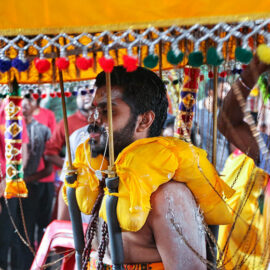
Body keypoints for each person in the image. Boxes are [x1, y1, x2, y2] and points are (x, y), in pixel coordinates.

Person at [63, 66, 236, 270]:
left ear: (144, 120)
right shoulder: (99, 181)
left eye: (107, 111)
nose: (94, 120)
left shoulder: (168, 196)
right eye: (95, 110)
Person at [13, 93, 53, 270]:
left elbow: (50, 165)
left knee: (39, 229)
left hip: (37, 185)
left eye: (29, 100)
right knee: (20, 233)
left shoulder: (43, 130)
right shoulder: (10, 127)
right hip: (15, 188)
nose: (24, 104)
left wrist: (24, 179)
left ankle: (43, 265)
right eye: (21, 99)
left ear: (36, 104)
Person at [0, 96, 29, 270]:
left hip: (6, 182)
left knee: (4, 236)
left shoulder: (12, 113)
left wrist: (7, 179)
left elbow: (21, 154)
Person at [44, 85, 94, 168]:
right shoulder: (66, 123)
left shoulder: (105, 119)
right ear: (76, 98)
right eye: (83, 93)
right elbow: (49, 153)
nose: (87, 97)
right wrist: (71, 168)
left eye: (91, 92)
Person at [193, 78, 231, 173]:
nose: (228, 96)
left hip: (223, 171)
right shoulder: (194, 110)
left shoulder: (228, 113)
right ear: (211, 92)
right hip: (198, 169)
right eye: (224, 91)